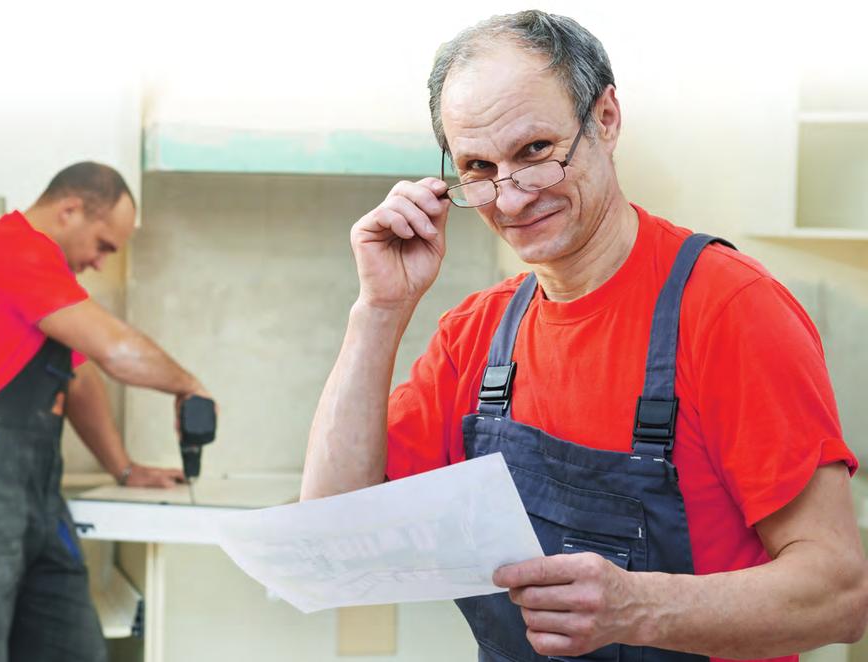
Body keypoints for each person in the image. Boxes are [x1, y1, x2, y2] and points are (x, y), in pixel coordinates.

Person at [301, 10, 867, 662]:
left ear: (606, 119)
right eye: (479, 167)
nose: (510, 198)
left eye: (535, 152)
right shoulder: (477, 338)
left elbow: (840, 594)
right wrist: (378, 309)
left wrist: (641, 607)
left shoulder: (729, 311)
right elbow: (328, 539)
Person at [0, 162, 213, 662]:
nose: (100, 262)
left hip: (35, 499)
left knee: (73, 649)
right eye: (104, 245)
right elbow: (115, 352)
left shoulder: (45, 286)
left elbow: (81, 378)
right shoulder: (6, 248)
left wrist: (124, 468)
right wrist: (188, 385)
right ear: (70, 210)